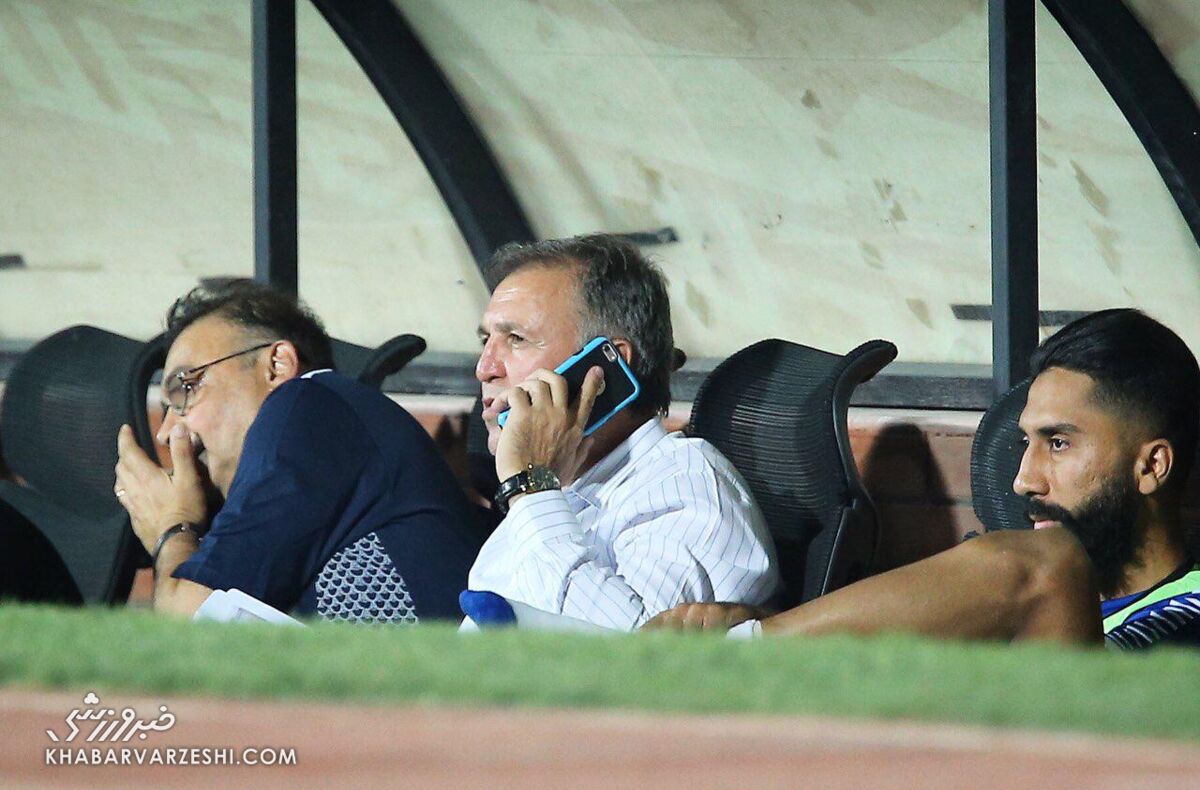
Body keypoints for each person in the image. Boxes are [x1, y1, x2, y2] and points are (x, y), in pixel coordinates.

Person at [648, 309, 1200, 650]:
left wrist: (756, 645)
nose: (1024, 481)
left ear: (1151, 466)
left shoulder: (1185, 613)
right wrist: (779, 625)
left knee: (1047, 564)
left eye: (1058, 443)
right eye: (1025, 444)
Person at [113, 280, 483, 621]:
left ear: (277, 366)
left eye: (185, 388)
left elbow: (193, 623)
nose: (166, 432)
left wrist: (173, 526)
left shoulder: (305, 404)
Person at [467, 234, 780, 630]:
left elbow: (632, 651)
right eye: (486, 340)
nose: (485, 368)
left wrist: (530, 486)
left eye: (516, 339)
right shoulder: (563, 489)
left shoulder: (683, 485)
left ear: (604, 370)